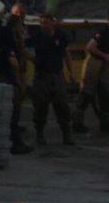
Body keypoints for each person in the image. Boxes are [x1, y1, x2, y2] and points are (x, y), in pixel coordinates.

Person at [0, 0, 33, 154]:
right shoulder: (3, 32)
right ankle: (15, 143)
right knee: (13, 109)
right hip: (5, 74)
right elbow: (12, 58)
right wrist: (17, 77)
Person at [26, 13, 76, 146]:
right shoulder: (37, 37)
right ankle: (40, 135)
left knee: (62, 105)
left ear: (52, 23)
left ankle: (67, 134)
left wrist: (71, 72)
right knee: (40, 106)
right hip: (42, 76)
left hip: (57, 75)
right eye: (41, 23)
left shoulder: (60, 36)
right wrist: (34, 61)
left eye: (46, 22)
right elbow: (24, 48)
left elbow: (66, 54)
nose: (43, 25)